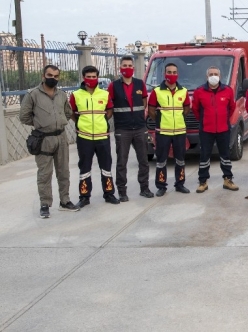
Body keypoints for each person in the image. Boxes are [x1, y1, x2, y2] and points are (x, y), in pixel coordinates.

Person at [19, 65, 79, 218]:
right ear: (43, 76)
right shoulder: (33, 95)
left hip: (61, 137)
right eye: (50, 75)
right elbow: (24, 116)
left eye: (56, 76)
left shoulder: (61, 95)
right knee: (45, 174)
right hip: (43, 139)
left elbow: (68, 112)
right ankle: (45, 204)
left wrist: (58, 122)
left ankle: (65, 201)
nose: (53, 78)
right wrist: (41, 123)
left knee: (63, 171)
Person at [70, 65, 119, 207]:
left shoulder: (104, 94)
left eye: (94, 77)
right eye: (88, 77)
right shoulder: (76, 95)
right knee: (85, 167)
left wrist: (102, 121)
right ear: (83, 78)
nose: (91, 79)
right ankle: (84, 197)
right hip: (84, 137)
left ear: (97, 77)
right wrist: (80, 123)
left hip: (102, 136)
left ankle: (109, 194)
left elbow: (109, 111)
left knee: (106, 166)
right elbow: (71, 112)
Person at [108, 56, 154, 202]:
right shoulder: (113, 86)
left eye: (129, 65)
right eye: (124, 65)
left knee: (143, 161)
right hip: (123, 129)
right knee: (122, 162)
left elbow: (144, 103)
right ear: (120, 68)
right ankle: (122, 192)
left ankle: (144, 188)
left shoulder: (140, 84)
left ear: (133, 68)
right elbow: (110, 105)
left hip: (140, 127)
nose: (127, 68)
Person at [191, 66, 239, 193]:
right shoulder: (199, 91)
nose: (213, 76)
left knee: (225, 155)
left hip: (223, 129)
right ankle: (203, 181)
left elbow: (232, 107)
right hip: (206, 130)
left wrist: (224, 119)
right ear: (207, 76)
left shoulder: (228, 91)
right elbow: (195, 109)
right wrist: (205, 120)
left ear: (220, 76)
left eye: (216, 74)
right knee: (204, 156)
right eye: (211, 74)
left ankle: (228, 179)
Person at [148, 63, 191, 196]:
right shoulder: (156, 91)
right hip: (163, 132)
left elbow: (186, 109)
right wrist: (161, 121)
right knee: (161, 160)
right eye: (169, 72)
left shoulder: (183, 91)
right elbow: (151, 110)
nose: (171, 75)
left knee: (180, 160)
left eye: (174, 72)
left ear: (177, 74)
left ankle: (180, 184)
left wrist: (178, 119)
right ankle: (161, 186)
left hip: (180, 131)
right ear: (164, 74)